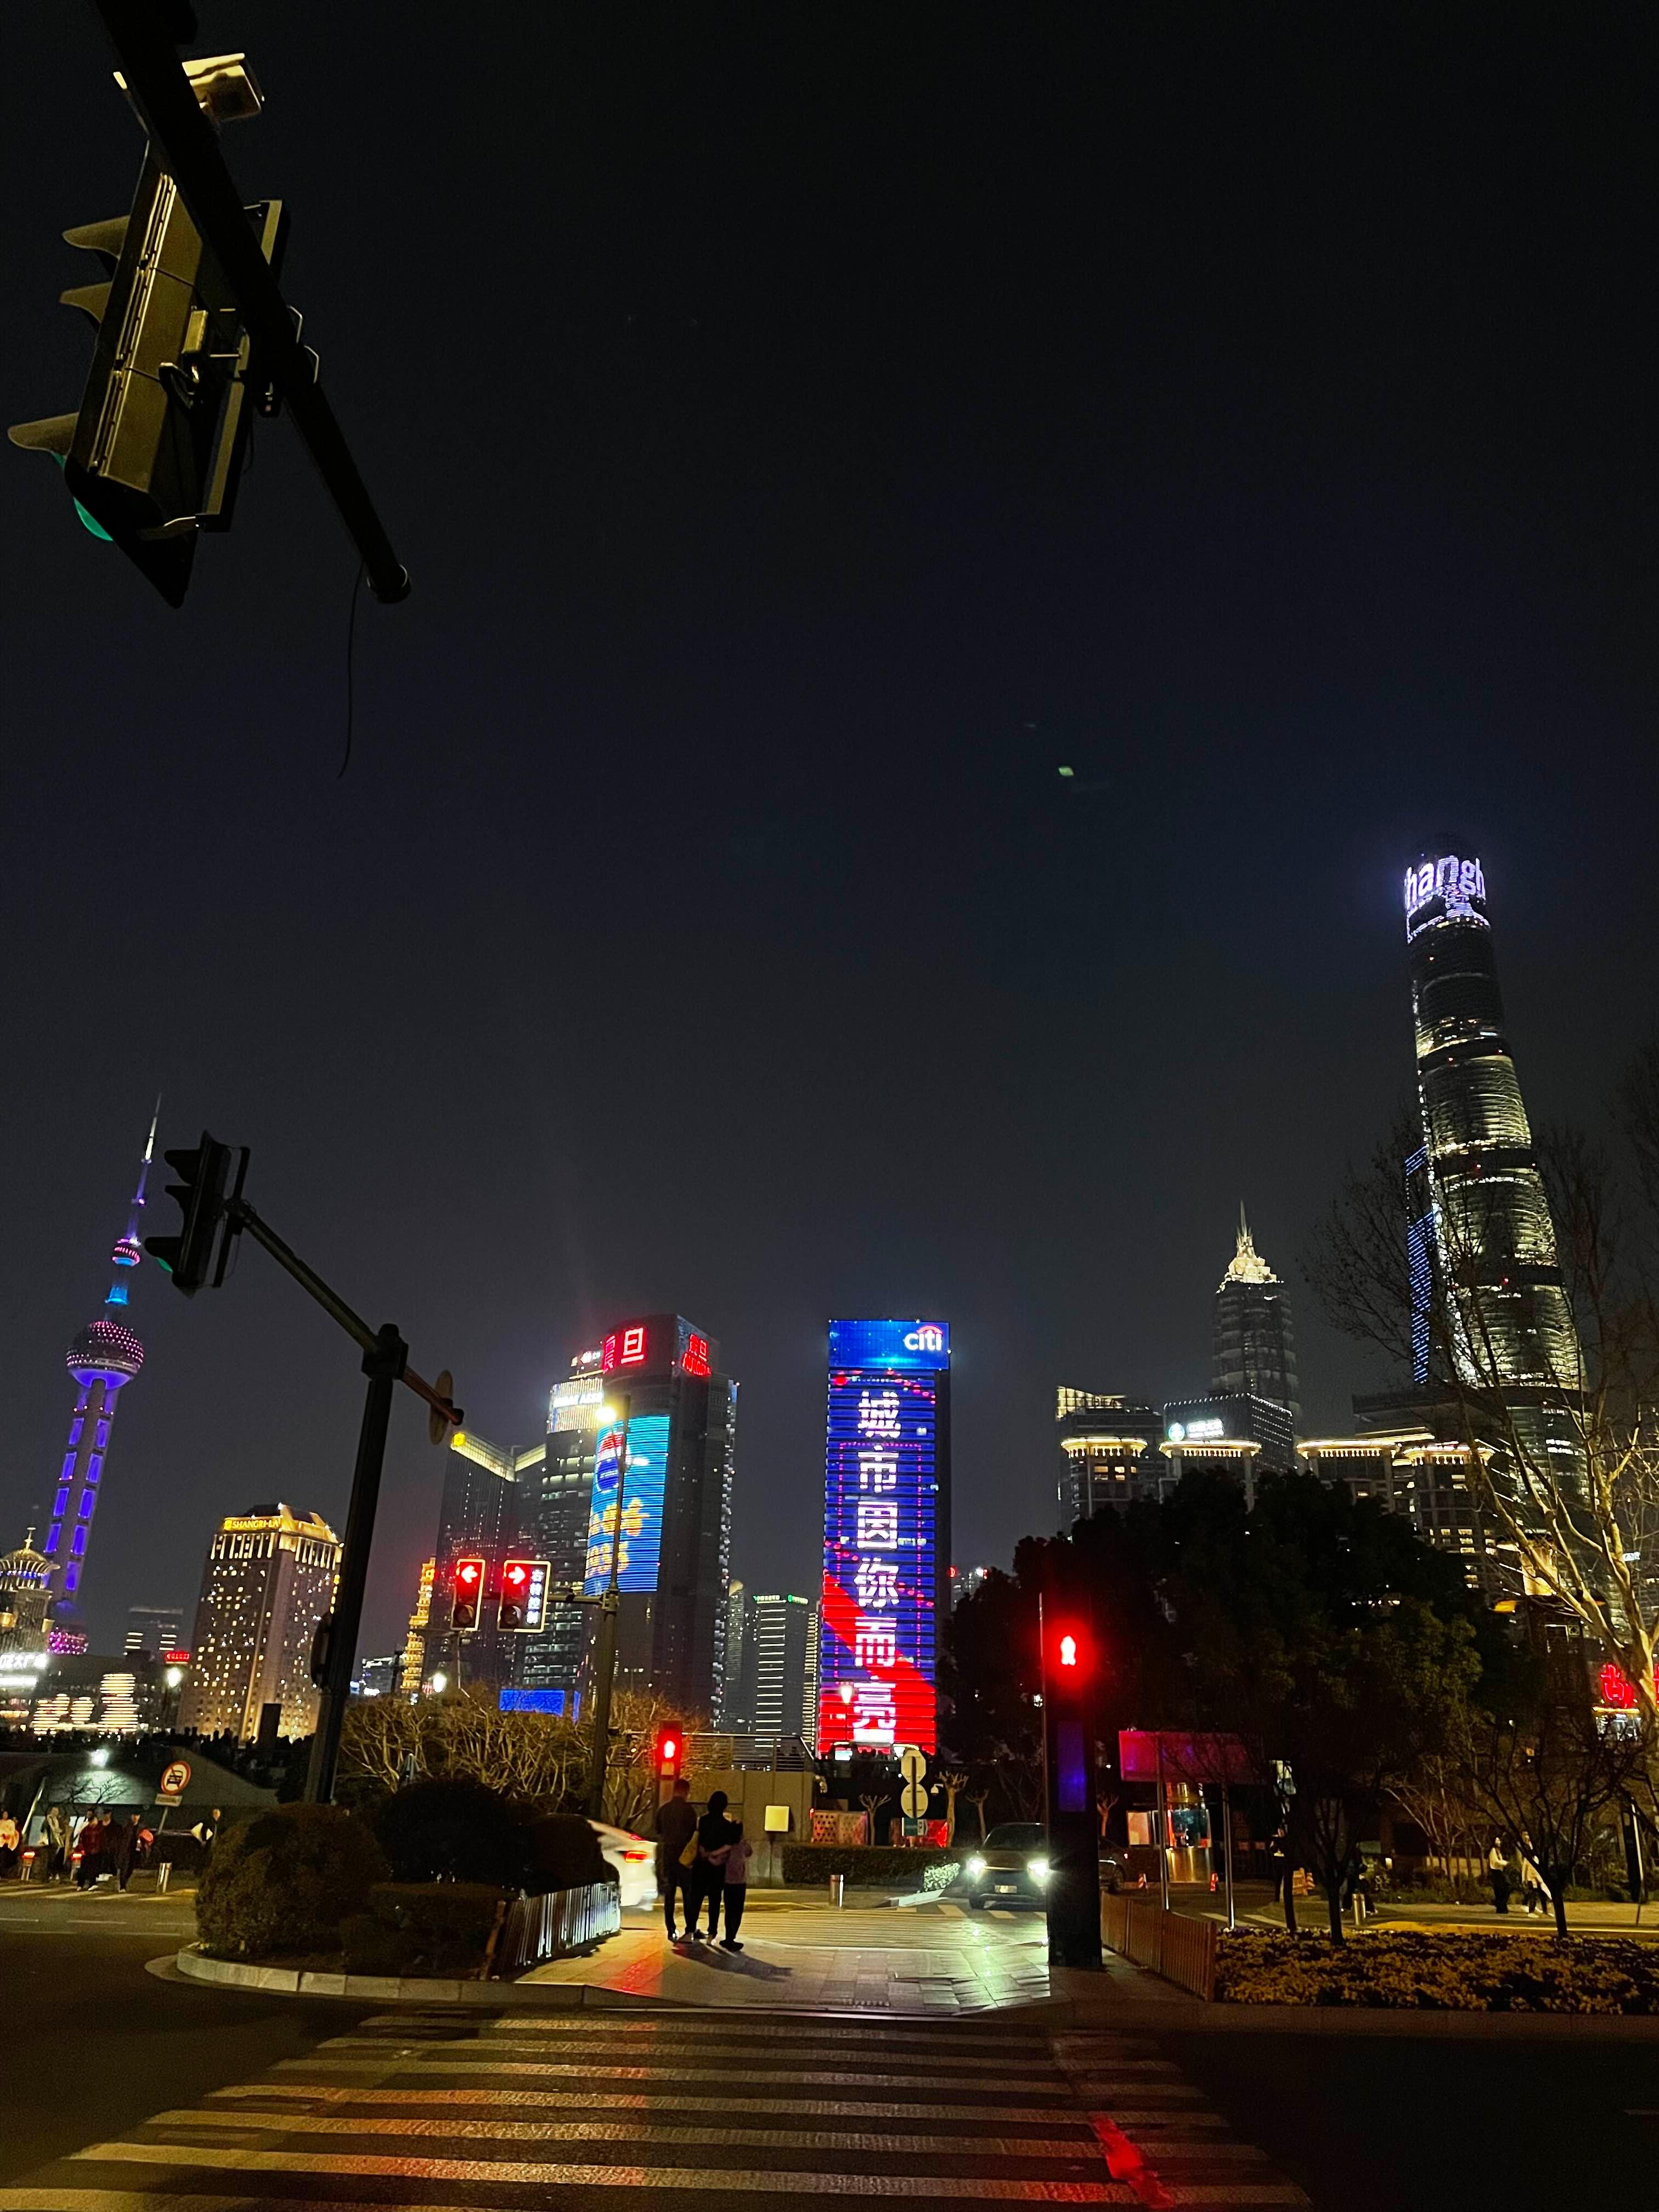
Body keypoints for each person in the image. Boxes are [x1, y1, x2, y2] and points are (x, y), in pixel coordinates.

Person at [654, 1778, 698, 1942]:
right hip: (685, 1857)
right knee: (688, 1894)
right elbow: (693, 1833)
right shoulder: (690, 1811)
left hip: (668, 1856)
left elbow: (658, 1830)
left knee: (670, 1893)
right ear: (686, 1792)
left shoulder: (663, 1810)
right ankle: (690, 1928)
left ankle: (671, 1929)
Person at [693, 1790, 738, 1940]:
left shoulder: (703, 1821)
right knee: (715, 1900)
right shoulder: (726, 1825)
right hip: (718, 1867)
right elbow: (728, 1846)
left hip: (701, 1865)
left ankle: (691, 1927)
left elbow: (698, 1840)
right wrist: (713, 1855)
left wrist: (705, 1854)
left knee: (697, 1898)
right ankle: (712, 1931)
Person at [720, 1820, 753, 1951]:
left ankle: (729, 1938)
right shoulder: (742, 1846)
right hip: (740, 1883)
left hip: (728, 1883)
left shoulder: (728, 1847)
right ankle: (731, 1938)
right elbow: (750, 1852)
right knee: (737, 1912)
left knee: (729, 1911)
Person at [110, 1812, 141, 1893]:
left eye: (137, 1816)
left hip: (136, 1851)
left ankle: (124, 1882)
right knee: (124, 1868)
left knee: (131, 1869)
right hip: (126, 1850)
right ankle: (122, 1886)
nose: (135, 1817)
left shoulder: (141, 1827)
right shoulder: (126, 1826)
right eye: (134, 1815)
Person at [75, 1815, 108, 1891]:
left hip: (96, 1852)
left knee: (93, 1869)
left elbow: (102, 1841)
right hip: (87, 1852)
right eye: (95, 1820)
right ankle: (80, 1884)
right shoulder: (86, 1830)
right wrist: (82, 1850)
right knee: (84, 1869)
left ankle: (92, 1884)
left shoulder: (100, 1830)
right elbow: (81, 1841)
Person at [44, 1803, 71, 1882]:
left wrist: (62, 1835)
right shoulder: (48, 1820)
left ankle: (56, 1874)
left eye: (56, 1811)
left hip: (59, 1843)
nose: (55, 1813)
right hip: (51, 1842)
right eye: (54, 1811)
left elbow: (63, 1831)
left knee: (57, 1860)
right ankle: (49, 1874)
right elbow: (44, 1829)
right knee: (50, 1859)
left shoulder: (59, 1821)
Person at [1488, 1837, 1512, 1915]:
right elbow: (1496, 1862)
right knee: (1505, 1887)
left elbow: (1499, 1861)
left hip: (1500, 1871)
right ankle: (1501, 1906)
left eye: (1499, 1840)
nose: (1499, 1842)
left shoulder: (1498, 1851)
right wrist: (1506, 1863)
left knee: (1502, 1889)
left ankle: (1501, 1906)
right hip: (1496, 1872)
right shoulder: (1493, 1850)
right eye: (1497, 1841)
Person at [0, 1812, 20, 1878]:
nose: (5, 1815)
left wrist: (5, 1833)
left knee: (4, 1859)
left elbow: (12, 1833)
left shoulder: (11, 1823)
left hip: (6, 1844)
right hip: (0, 1843)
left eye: (6, 1814)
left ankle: (3, 1874)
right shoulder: (0, 1822)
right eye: (4, 1814)